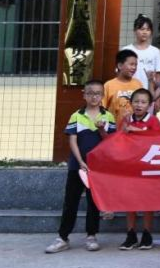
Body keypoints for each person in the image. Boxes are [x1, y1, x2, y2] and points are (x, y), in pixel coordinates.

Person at [45, 79, 115, 254]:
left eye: (97, 93)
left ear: (102, 95)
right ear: (84, 95)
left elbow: (110, 142)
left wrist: (101, 129)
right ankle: (63, 238)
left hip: (97, 168)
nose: (94, 97)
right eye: (90, 93)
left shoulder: (108, 116)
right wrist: (80, 162)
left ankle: (91, 236)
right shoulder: (76, 115)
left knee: (93, 203)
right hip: (77, 166)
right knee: (71, 201)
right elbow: (72, 141)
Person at [118, 88, 159, 251]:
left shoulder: (153, 121)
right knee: (130, 201)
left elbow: (159, 141)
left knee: (147, 201)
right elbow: (118, 141)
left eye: (143, 102)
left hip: (147, 166)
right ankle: (131, 234)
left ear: (149, 105)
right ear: (131, 103)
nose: (139, 105)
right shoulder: (125, 120)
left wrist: (138, 131)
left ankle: (147, 234)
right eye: (136, 101)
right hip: (129, 166)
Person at [124, 14, 160, 93]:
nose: (145, 32)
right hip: (129, 92)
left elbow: (158, 77)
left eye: (148, 30)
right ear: (135, 30)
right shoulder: (126, 50)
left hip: (148, 93)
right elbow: (120, 74)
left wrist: (156, 97)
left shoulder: (155, 51)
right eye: (142, 29)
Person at [103, 49, 142, 126]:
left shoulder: (138, 84)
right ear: (120, 66)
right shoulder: (108, 85)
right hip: (114, 128)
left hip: (134, 128)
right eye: (131, 64)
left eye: (136, 65)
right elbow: (102, 108)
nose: (134, 67)